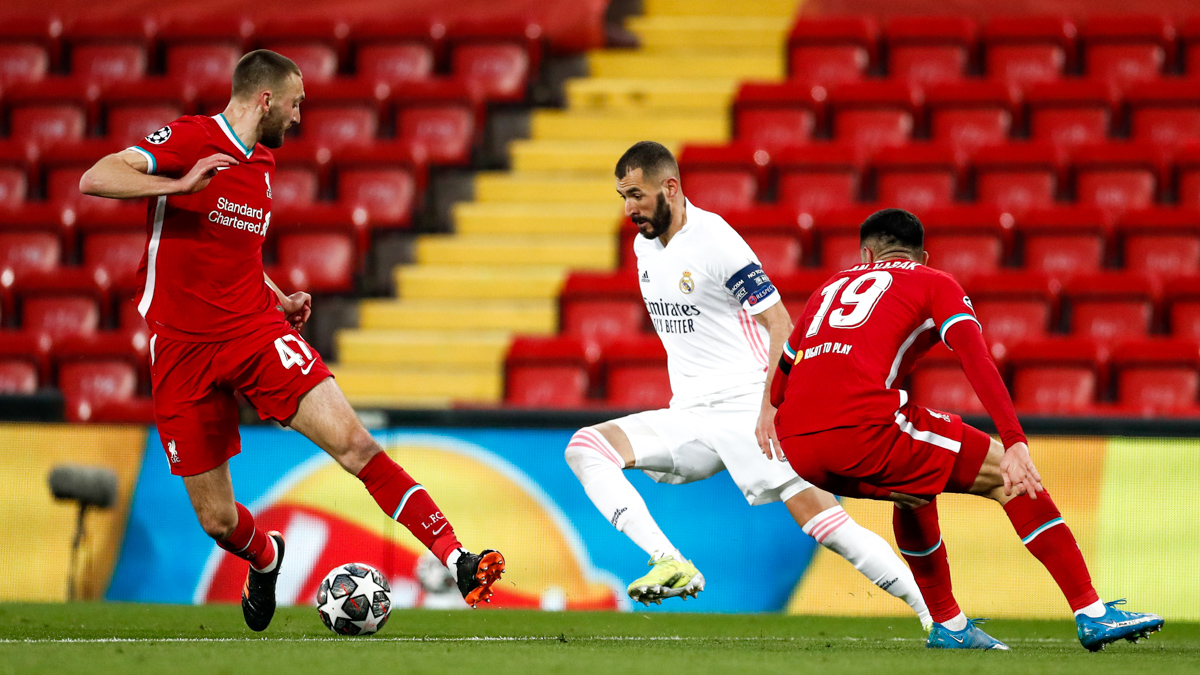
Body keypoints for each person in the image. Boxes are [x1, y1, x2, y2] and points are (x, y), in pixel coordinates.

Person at [79, 50, 504, 630]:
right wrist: (177, 182)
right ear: (266, 98)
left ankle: (456, 557)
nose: (300, 117)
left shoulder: (264, 165)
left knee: (356, 444)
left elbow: (234, 253)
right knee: (218, 521)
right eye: (297, 103)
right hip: (181, 350)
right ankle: (268, 556)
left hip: (256, 332)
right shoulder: (189, 139)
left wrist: (276, 298)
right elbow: (94, 176)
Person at [565, 141, 930, 626]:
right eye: (622, 196)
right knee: (586, 448)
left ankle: (937, 616)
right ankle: (669, 561)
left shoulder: (716, 240)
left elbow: (781, 324)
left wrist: (770, 407)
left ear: (670, 188)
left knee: (826, 525)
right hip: (692, 414)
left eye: (636, 195)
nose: (629, 208)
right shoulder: (642, 247)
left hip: (747, 405)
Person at [770, 207, 1163, 650]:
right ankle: (1092, 612)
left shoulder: (825, 290)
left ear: (866, 254)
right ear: (923, 254)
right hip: (861, 431)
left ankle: (951, 627)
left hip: (798, 449)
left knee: (915, 488)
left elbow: (780, 384)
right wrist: (1014, 441)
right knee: (1009, 476)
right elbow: (975, 359)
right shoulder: (933, 281)